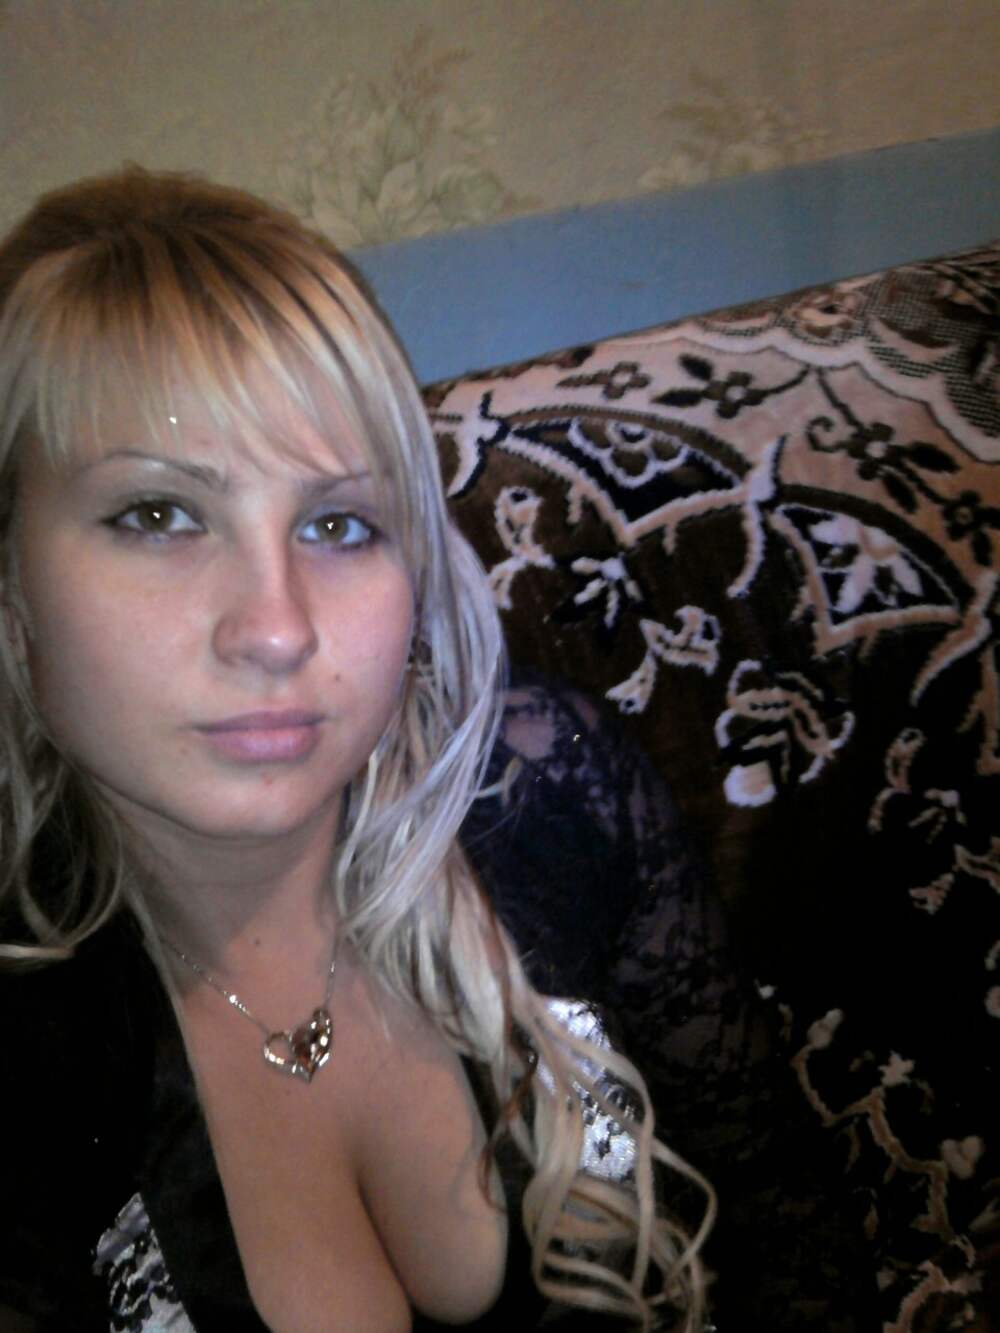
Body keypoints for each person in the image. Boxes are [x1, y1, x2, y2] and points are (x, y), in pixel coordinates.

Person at [0, 169, 869, 1332]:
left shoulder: (550, 794)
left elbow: (793, 1246)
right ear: (13, 585)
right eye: (157, 515)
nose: (276, 627)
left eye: (338, 523)